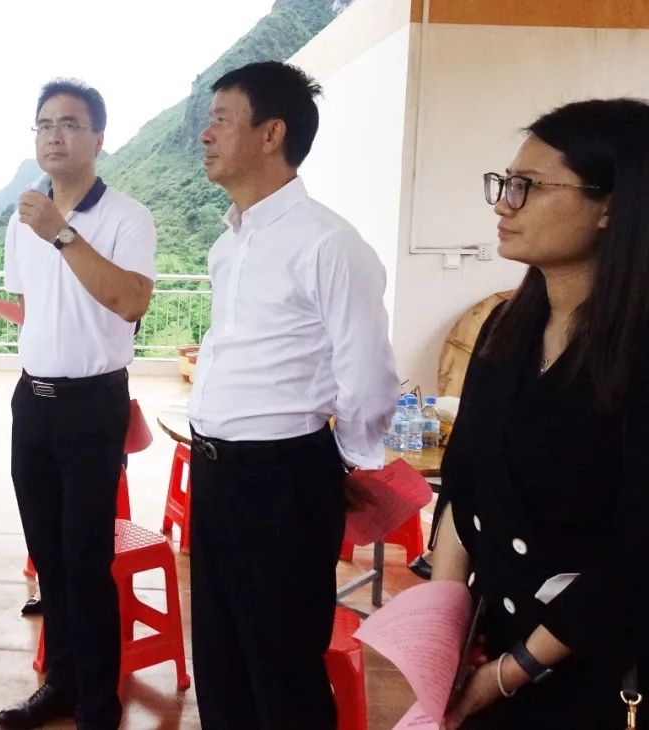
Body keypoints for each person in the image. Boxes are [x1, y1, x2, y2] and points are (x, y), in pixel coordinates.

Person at [187, 61, 399, 730]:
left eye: (222, 119)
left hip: (281, 477)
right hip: (214, 470)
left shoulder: (330, 244)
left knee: (281, 667)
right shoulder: (229, 245)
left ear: (271, 133)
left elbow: (368, 375)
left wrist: (342, 459)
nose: (206, 134)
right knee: (220, 655)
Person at [430, 98, 649, 729]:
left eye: (528, 186)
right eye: (505, 184)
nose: (504, 204)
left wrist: (510, 673)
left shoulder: (635, 351)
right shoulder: (506, 328)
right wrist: (443, 625)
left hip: (596, 669)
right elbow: (464, 479)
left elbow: (635, 554)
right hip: (494, 643)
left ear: (611, 208)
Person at [0, 79, 157, 730]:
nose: (53, 135)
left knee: (87, 562)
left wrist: (61, 233)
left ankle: (98, 702)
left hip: (92, 405)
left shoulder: (126, 217)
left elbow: (130, 301)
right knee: (49, 556)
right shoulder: (23, 218)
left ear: (98, 138)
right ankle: (59, 684)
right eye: (43, 124)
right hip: (32, 401)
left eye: (68, 123)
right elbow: (30, 304)